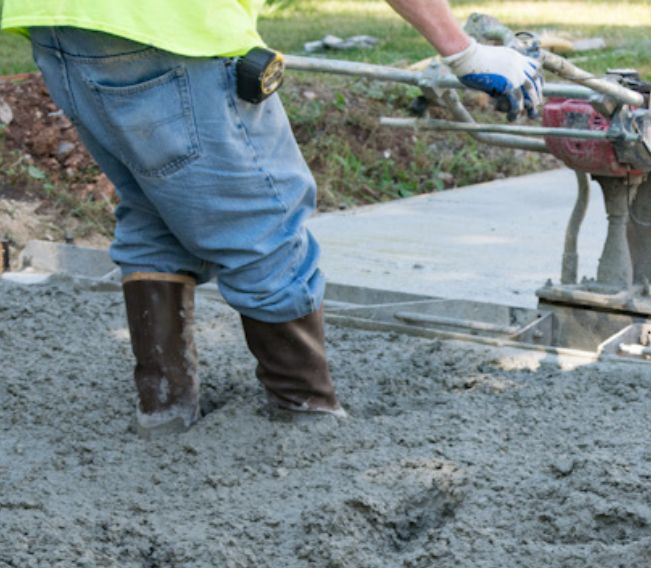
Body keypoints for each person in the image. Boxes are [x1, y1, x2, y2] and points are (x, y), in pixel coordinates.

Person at [0, 1, 542, 435]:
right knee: (265, 216)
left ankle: (163, 411)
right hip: (171, 27)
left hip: (62, 26)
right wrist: (464, 51)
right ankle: (304, 419)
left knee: (153, 210)